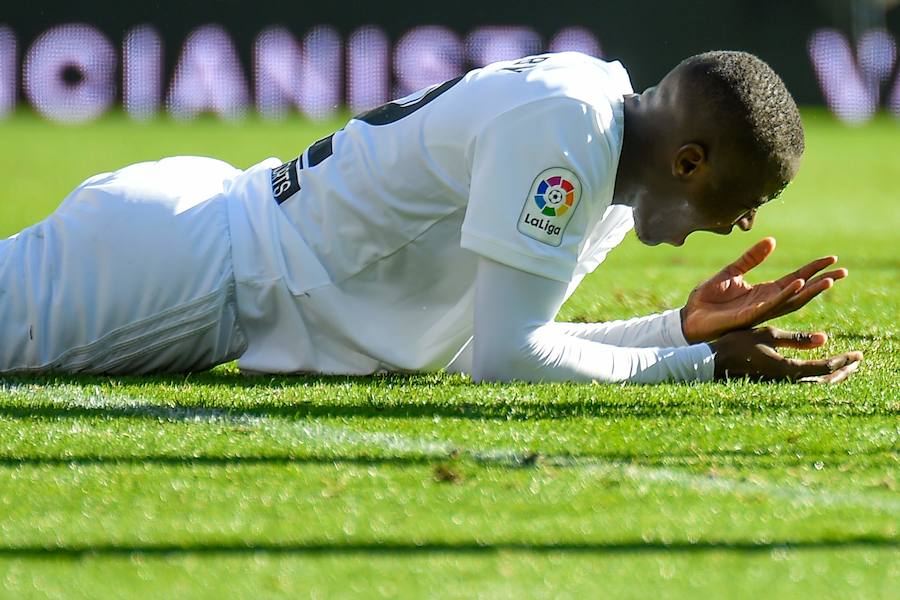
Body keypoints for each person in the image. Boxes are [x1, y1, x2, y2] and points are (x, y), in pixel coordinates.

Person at [0, 50, 862, 383]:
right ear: (689, 163)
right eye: (746, 201)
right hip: (184, 276)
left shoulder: (601, 141)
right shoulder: (566, 140)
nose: (741, 224)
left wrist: (676, 329)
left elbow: (478, 341)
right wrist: (707, 369)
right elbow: (506, 360)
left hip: (195, 246)